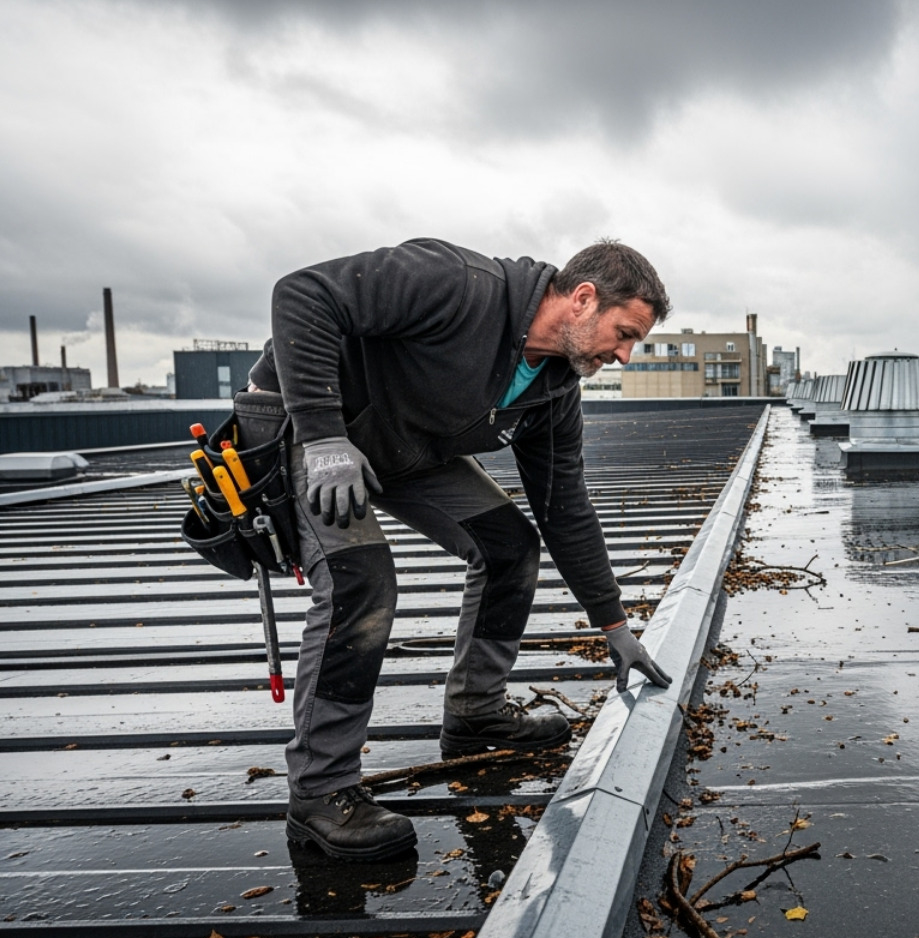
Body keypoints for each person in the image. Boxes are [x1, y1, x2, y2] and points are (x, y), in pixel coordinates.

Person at [247, 237, 673, 861]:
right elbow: (302, 294)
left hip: (406, 451)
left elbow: (565, 509)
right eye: (625, 332)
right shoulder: (459, 284)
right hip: (311, 431)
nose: (626, 354)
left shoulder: (552, 390)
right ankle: (320, 794)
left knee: (510, 546)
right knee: (360, 578)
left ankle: (475, 711)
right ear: (583, 299)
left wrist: (613, 623)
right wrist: (323, 437)